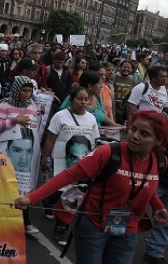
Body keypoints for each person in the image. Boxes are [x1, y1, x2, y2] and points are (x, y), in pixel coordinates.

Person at [13, 110, 168, 264]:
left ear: (158, 141)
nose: (135, 136)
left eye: (144, 134)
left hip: (127, 230)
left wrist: (157, 206)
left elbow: (142, 183)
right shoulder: (109, 153)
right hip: (94, 226)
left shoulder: (160, 162)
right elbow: (68, 175)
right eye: (133, 129)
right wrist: (31, 198)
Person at [40, 86, 100, 244]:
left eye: (86, 99)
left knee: (74, 196)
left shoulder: (91, 119)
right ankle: (49, 199)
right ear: (71, 100)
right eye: (80, 99)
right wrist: (44, 158)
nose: (83, 102)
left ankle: (60, 229)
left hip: (84, 166)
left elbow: (95, 142)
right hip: (61, 162)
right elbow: (50, 139)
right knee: (61, 191)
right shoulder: (60, 116)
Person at [0, 75, 39, 234]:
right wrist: (14, 121)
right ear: (16, 90)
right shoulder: (5, 105)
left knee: (24, 187)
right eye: (24, 90)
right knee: (6, 184)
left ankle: (25, 222)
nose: (27, 94)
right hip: (8, 151)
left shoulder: (32, 106)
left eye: (29, 91)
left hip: (26, 154)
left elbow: (34, 128)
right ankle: (3, 219)